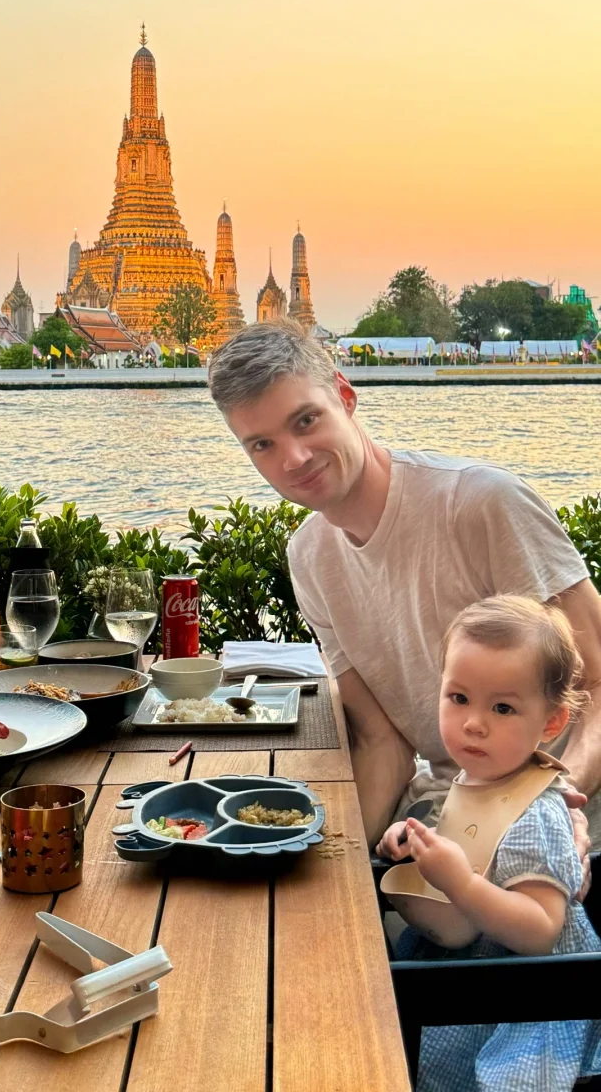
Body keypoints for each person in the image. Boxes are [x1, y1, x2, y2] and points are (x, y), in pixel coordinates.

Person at [207, 320, 601, 851]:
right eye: (262, 444)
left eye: (306, 420)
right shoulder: (310, 557)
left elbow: (598, 681)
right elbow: (381, 743)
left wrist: (557, 802)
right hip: (455, 815)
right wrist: (340, 864)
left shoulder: (481, 503)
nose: (293, 459)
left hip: (575, 816)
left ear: (345, 397)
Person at [377, 597, 601, 1092]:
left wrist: (458, 881)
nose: (474, 722)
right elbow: (468, 837)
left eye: (502, 707)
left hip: (526, 999)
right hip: (467, 965)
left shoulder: (537, 814)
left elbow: (542, 930)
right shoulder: (480, 771)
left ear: (550, 723)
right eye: (458, 698)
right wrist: (409, 842)